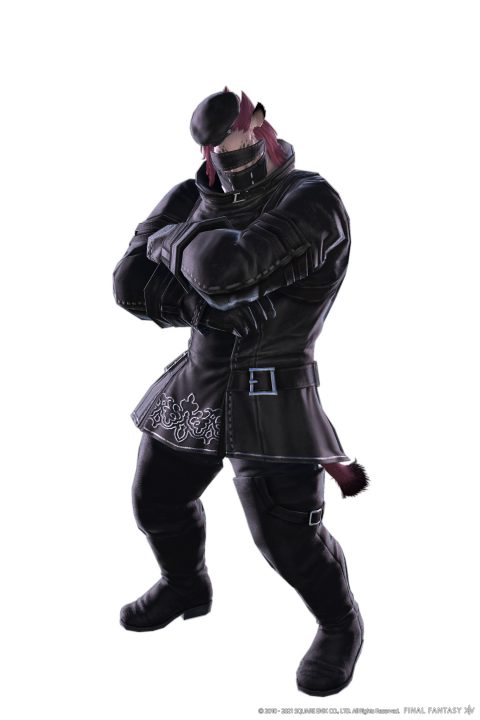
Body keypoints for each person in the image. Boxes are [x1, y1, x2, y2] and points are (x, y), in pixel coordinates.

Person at [112, 88, 370, 697]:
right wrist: (198, 303)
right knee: (156, 500)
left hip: (272, 387)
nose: (240, 146)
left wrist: (170, 243)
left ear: (263, 126)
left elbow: (225, 269)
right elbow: (128, 283)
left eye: (246, 132)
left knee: (287, 538)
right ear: (208, 149)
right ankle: (186, 585)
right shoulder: (189, 196)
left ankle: (340, 625)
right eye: (225, 140)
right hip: (199, 379)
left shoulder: (313, 201)